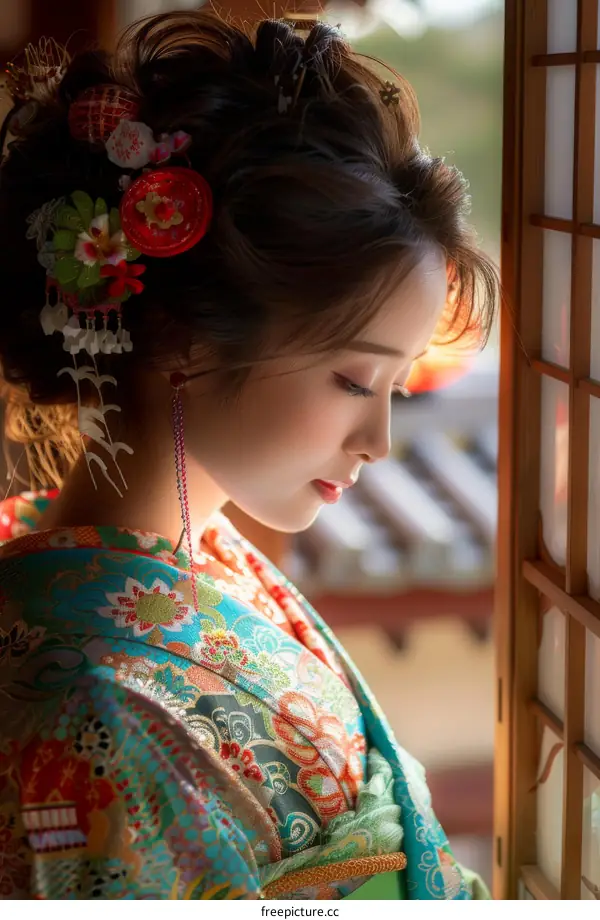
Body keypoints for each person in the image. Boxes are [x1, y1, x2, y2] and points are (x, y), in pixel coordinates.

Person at [0, 11, 498, 900]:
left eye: (398, 388)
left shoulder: (201, 553)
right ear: (180, 336)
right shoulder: (86, 703)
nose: (380, 442)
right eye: (354, 380)